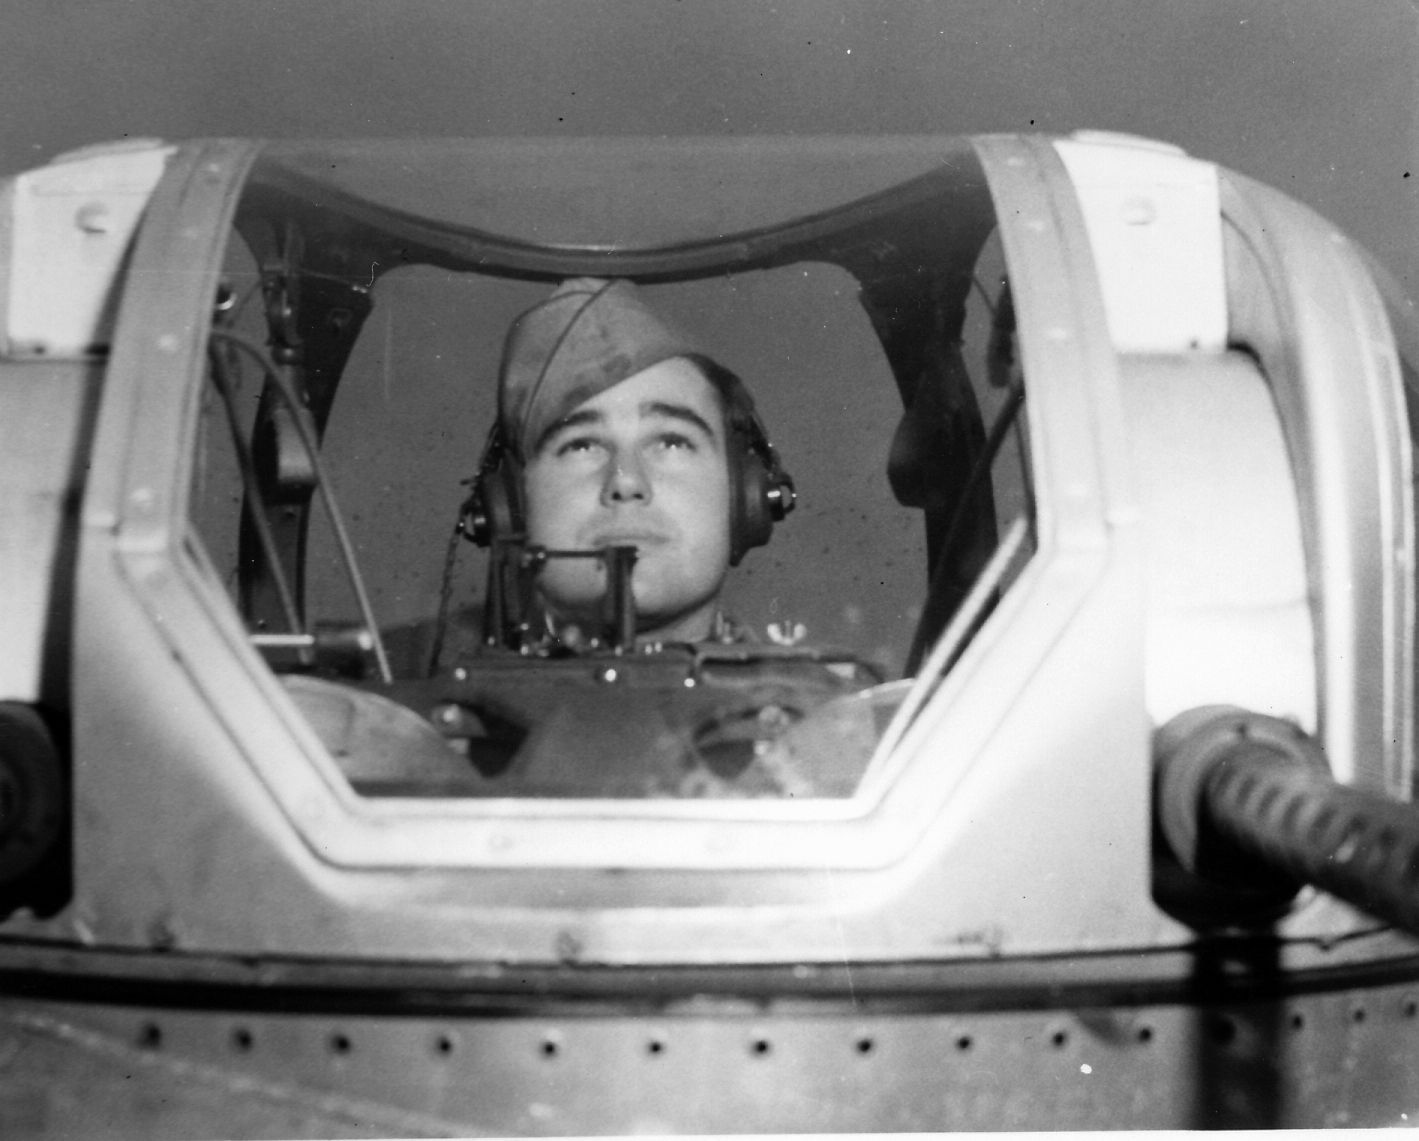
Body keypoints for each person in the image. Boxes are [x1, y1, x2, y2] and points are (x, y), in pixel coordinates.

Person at [491, 276, 788, 645]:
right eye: (582, 445)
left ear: (747, 496)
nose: (626, 481)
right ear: (510, 504)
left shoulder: (838, 701)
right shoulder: (403, 694)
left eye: (671, 441)